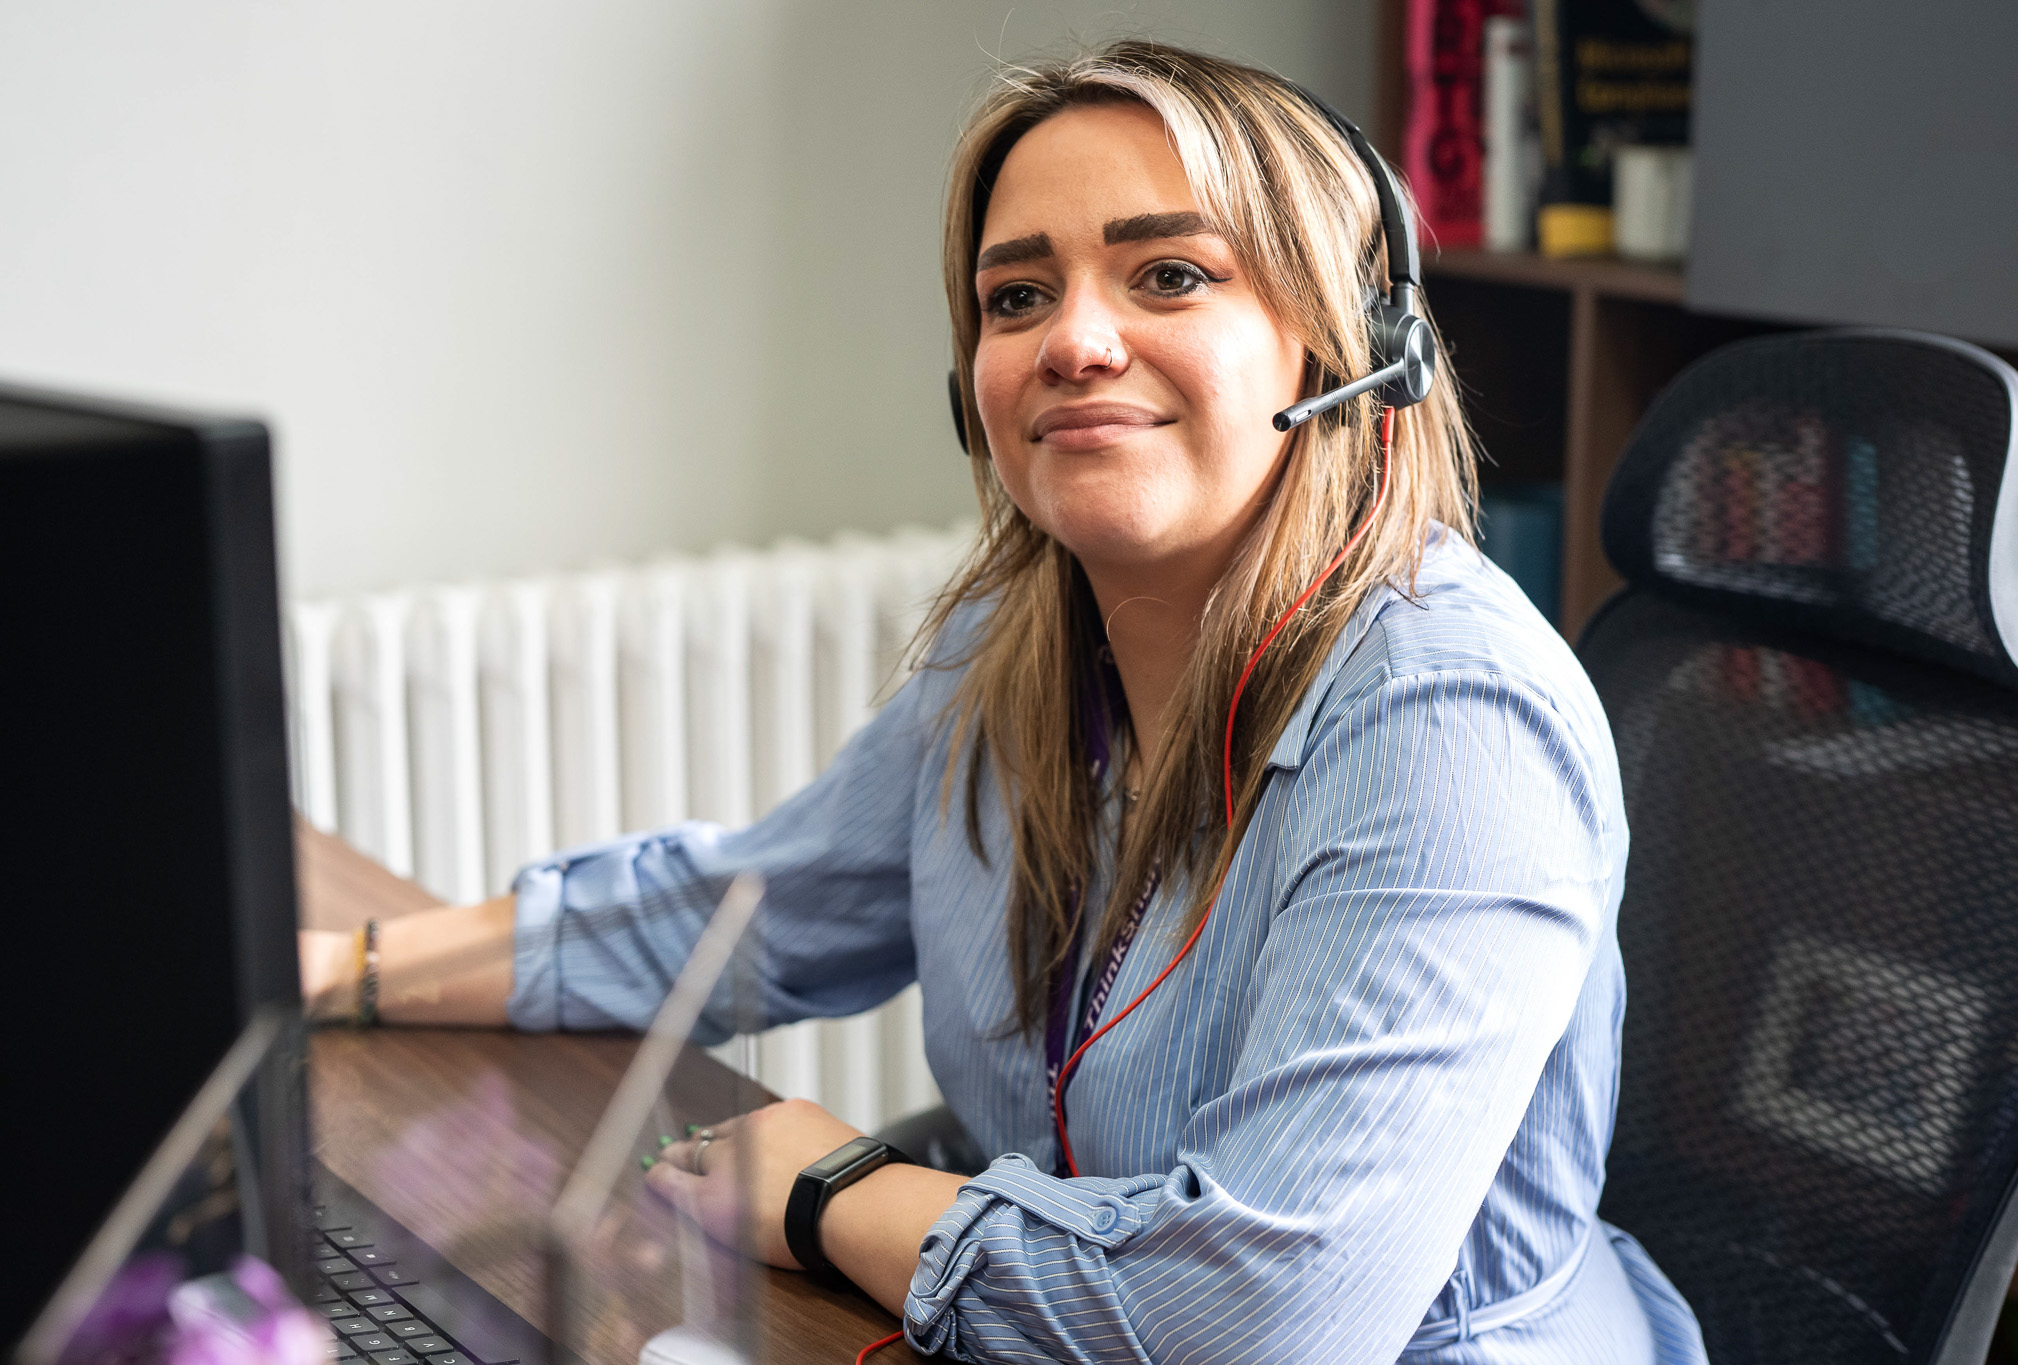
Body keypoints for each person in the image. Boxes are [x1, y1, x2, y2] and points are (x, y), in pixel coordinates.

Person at [303, 41, 1705, 1365]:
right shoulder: (1013, 647)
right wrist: (334, 974)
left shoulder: (1449, 725)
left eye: (1168, 273)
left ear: (1342, 342)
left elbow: (1262, 1317)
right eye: (1017, 296)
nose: (1074, 342)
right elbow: (735, 913)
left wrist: (833, 1188)